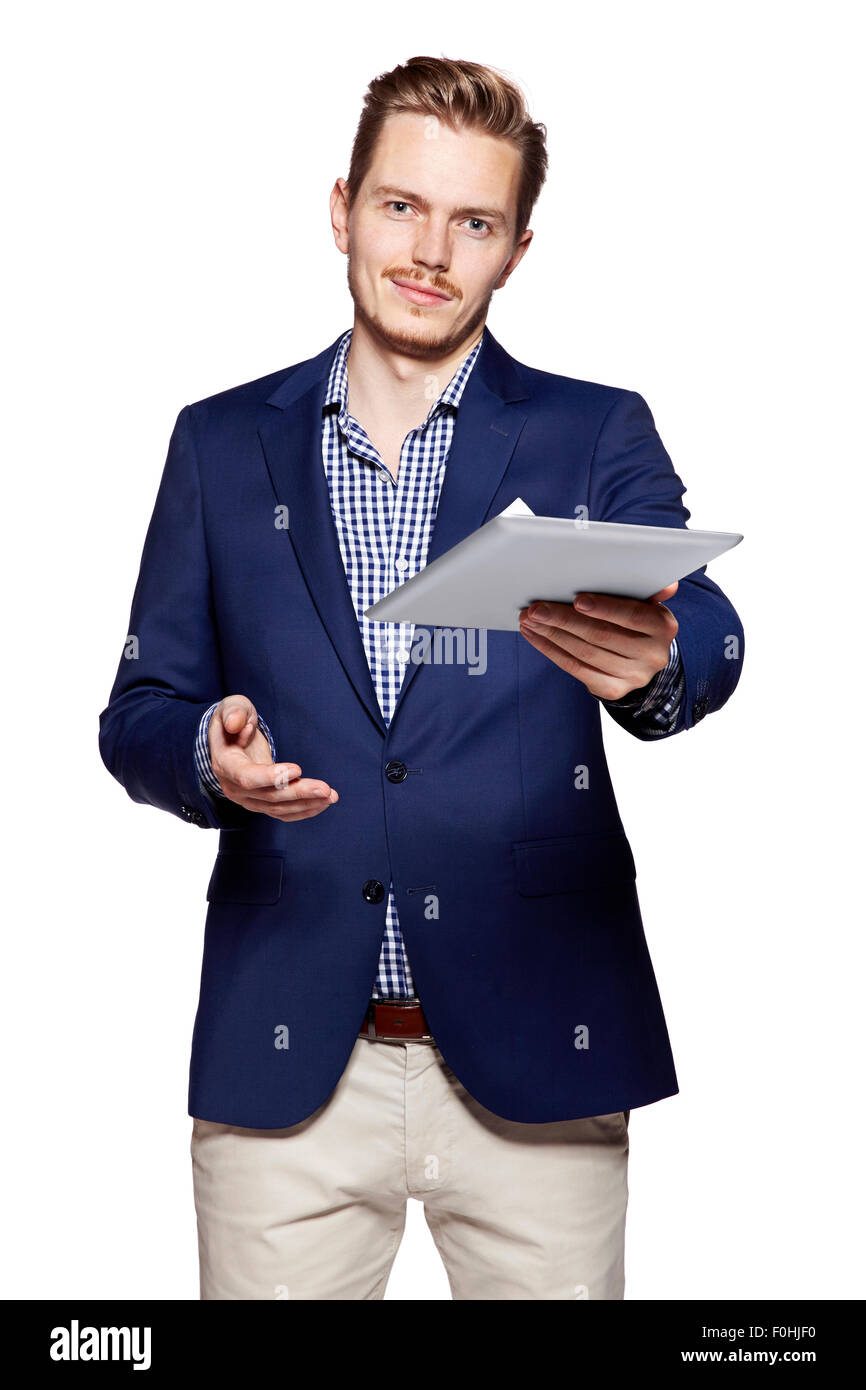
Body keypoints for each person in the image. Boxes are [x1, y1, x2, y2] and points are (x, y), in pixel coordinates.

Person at [98, 54, 744, 1301]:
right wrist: (202, 754)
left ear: (514, 249)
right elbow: (136, 712)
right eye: (401, 206)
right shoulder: (218, 443)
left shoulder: (590, 431)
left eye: (474, 222)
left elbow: (701, 614)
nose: (429, 250)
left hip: (540, 1059)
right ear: (340, 208)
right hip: (287, 1071)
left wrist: (665, 659)